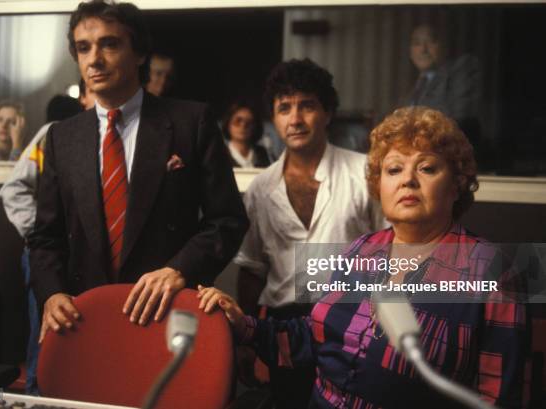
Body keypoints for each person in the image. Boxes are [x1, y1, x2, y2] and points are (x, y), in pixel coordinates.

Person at [199, 106, 530, 409]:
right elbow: (310, 339)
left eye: (427, 168)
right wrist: (244, 325)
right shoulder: (361, 250)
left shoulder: (491, 269)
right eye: (394, 169)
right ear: (378, 185)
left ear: (457, 184)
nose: (408, 180)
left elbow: (497, 398)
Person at [28, 0, 247, 344]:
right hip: (85, 318)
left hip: (168, 312)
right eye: (83, 48)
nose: (94, 59)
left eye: (109, 44)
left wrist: (179, 270)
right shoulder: (61, 137)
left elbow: (227, 220)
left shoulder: (191, 122)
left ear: (140, 53)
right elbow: (45, 237)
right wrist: (51, 294)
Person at [232, 58, 386, 409]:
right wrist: (244, 341)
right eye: (284, 108)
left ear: (328, 112)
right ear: (273, 118)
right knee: (289, 401)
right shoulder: (260, 188)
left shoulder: (363, 173)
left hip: (353, 320)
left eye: (307, 105)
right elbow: (252, 270)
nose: (295, 119)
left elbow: (394, 253)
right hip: (285, 324)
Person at [0, 93, 87, 394]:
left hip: (80, 257)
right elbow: (13, 189)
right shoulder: (53, 132)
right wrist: (39, 233)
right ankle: (36, 396)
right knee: (44, 332)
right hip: (46, 254)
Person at [403, 23, 482, 152]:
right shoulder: (414, 84)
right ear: (410, 51)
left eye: (431, 42)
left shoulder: (461, 69)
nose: (423, 49)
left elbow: (457, 121)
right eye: (417, 43)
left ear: (443, 46)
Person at [221, 101, 270, 168]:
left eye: (249, 122)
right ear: (228, 124)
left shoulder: (262, 154)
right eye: (238, 121)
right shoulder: (220, 154)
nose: (243, 126)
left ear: (255, 127)